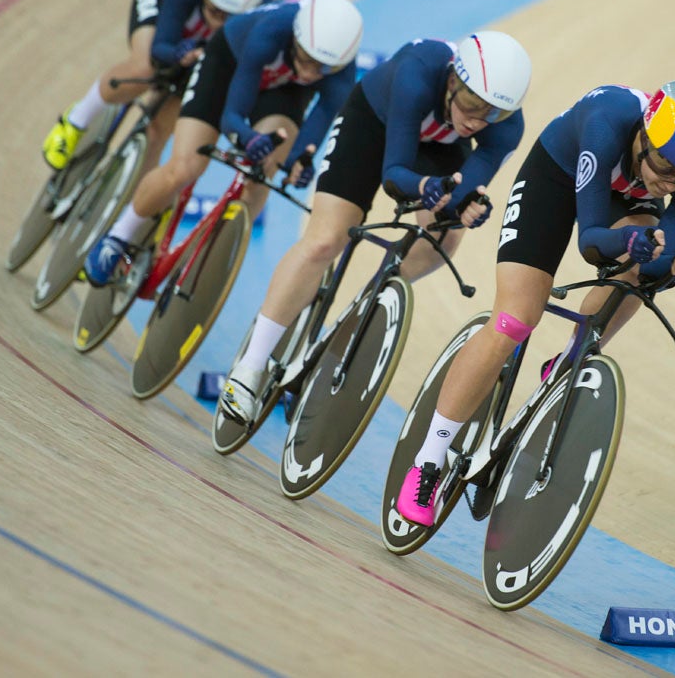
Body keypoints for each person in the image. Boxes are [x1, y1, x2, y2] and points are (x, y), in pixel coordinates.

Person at [394, 79, 675, 526]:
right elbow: (592, 243)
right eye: (667, 167)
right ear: (646, 135)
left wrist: (672, 268)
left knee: (638, 268)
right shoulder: (607, 122)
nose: (672, 182)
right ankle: (428, 461)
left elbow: (656, 262)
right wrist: (632, 239)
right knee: (513, 321)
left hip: (622, 205)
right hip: (555, 175)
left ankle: (573, 356)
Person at [217, 31, 533, 427]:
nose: (475, 121)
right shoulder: (419, 74)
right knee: (325, 240)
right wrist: (423, 187)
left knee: (446, 237)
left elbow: (462, 193)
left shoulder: (505, 128)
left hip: (435, 147)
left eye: (492, 114)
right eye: (471, 104)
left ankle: (364, 308)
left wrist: (465, 206)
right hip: (374, 121)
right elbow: (394, 175)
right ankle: (249, 368)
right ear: (453, 79)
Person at [82, 0, 364, 285]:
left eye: (322, 69)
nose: (309, 73)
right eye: (306, 60)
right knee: (186, 167)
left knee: (263, 176)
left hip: (283, 90)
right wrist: (248, 138)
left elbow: (312, 134)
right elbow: (232, 117)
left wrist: (298, 163)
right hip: (227, 64)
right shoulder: (270, 32)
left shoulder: (341, 70)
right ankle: (118, 236)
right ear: (296, 38)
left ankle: (203, 271)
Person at [41, 0, 273, 176]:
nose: (219, 22)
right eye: (214, 11)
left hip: (201, 44)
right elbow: (161, 47)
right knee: (144, 69)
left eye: (229, 17)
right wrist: (176, 55)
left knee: (159, 131)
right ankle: (74, 121)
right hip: (163, 5)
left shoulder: (263, 11)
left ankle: (135, 193)